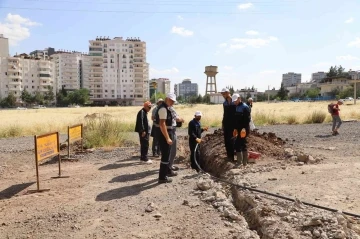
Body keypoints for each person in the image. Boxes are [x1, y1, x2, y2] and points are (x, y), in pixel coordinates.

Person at [155, 93, 177, 183]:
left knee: (166, 155)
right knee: (165, 156)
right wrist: (167, 138)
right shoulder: (163, 109)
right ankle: (162, 177)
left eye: (173, 101)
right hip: (164, 135)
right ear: (167, 99)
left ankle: (165, 173)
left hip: (166, 133)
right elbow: (162, 124)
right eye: (171, 100)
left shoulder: (165, 108)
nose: (172, 103)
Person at [232, 94, 251, 167]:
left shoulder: (245, 107)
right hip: (239, 129)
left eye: (236, 101)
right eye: (234, 101)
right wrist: (235, 129)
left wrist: (244, 129)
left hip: (244, 129)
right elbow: (236, 120)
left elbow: (247, 119)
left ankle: (240, 162)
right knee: (243, 144)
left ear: (239, 99)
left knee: (237, 144)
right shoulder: (237, 107)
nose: (235, 102)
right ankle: (244, 163)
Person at [221, 88, 236, 161]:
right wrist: (223, 123)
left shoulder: (235, 101)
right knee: (227, 140)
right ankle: (229, 156)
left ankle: (234, 156)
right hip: (226, 123)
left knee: (233, 139)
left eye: (224, 93)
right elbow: (225, 114)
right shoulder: (224, 103)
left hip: (234, 123)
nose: (223, 95)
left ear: (228, 93)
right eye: (222, 94)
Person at [168, 106, 184, 174]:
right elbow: (177, 119)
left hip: (170, 131)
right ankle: (169, 168)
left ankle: (170, 166)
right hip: (171, 131)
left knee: (170, 151)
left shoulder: (165, 108)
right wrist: (182, 119)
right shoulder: (170, 108)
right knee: (172, 151)